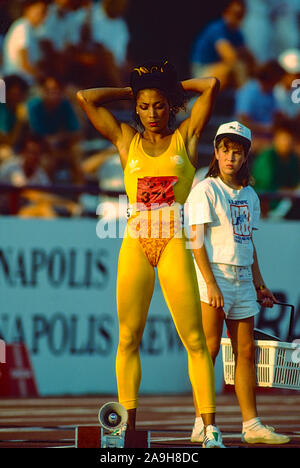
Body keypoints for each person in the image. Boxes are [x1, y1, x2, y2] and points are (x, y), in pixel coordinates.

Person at [77, 59, 225, 448]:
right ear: (135, 109)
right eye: (144, 106)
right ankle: (126, 430)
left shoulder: (186, 138)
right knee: (128, 338)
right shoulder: (127, 140)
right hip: (136, 243)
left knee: (194, 340)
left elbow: (210, 84)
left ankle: (209, 428)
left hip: (175, 241)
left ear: (171, 105)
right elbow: (85, 98)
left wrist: (165, 84)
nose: (152, 113)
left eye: (160, 105)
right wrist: (133, 88)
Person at [187, 120, 290, 445]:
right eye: (224, 150)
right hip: (213, 276)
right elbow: (196, 241)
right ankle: (202, 424)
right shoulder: (205, 189)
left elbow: (248, 242)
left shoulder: (250, 194)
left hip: (243, 279)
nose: (230, 157)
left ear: (246, 156)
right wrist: (210, 283)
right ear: (215, 153)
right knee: (210, 350)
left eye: (237, 152)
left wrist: (260, 285)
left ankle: (251, 424)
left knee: (247, 351)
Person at [27, 75, 83, 184]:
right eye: (49, 90)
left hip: (61, 147)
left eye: (56, 90)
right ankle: (47, 194)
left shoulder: (65, 104)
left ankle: (80, 194)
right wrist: (53, 140)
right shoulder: (33, 106)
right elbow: (37, 136)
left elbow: (75, 131)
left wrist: (57, 139)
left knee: (77, 153)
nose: (53, 94)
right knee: (47, 162)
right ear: (42, 90)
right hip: (40, 150)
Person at [190, 0, 255, 91]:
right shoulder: (217, 28)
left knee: (249, 68)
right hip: (202, 70)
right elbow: (229, 56)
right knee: (233, 69)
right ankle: (197, 100)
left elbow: (250, 57)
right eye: (236, 14)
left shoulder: (237, 33)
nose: (238, 18)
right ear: (226, 12)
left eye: (241, 15)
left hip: (220, 68)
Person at [251, 118, 300, 218]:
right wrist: (287, 192)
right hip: (265, 208)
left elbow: (296, 183)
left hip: (289, 205)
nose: (286, 142)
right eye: (283, 138)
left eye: (289, 138)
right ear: (276, 138)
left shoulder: (294, 158)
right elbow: (264, 187)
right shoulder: (267, 157)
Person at [234, 60, 285, 153]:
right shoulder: (249, 90)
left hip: (267, 137)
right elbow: (243, 123)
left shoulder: (271, 93)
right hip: (246, 137)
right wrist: (267, 128)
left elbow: (277, 115)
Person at [2, 0, 48, 84]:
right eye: (39, 11)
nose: (42, 15)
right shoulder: (23, 27)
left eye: (44, 11)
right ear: (28, 10)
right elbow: (24, 64)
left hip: (26, 81)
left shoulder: (32, 30)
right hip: (17, 82)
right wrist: (43, 78)